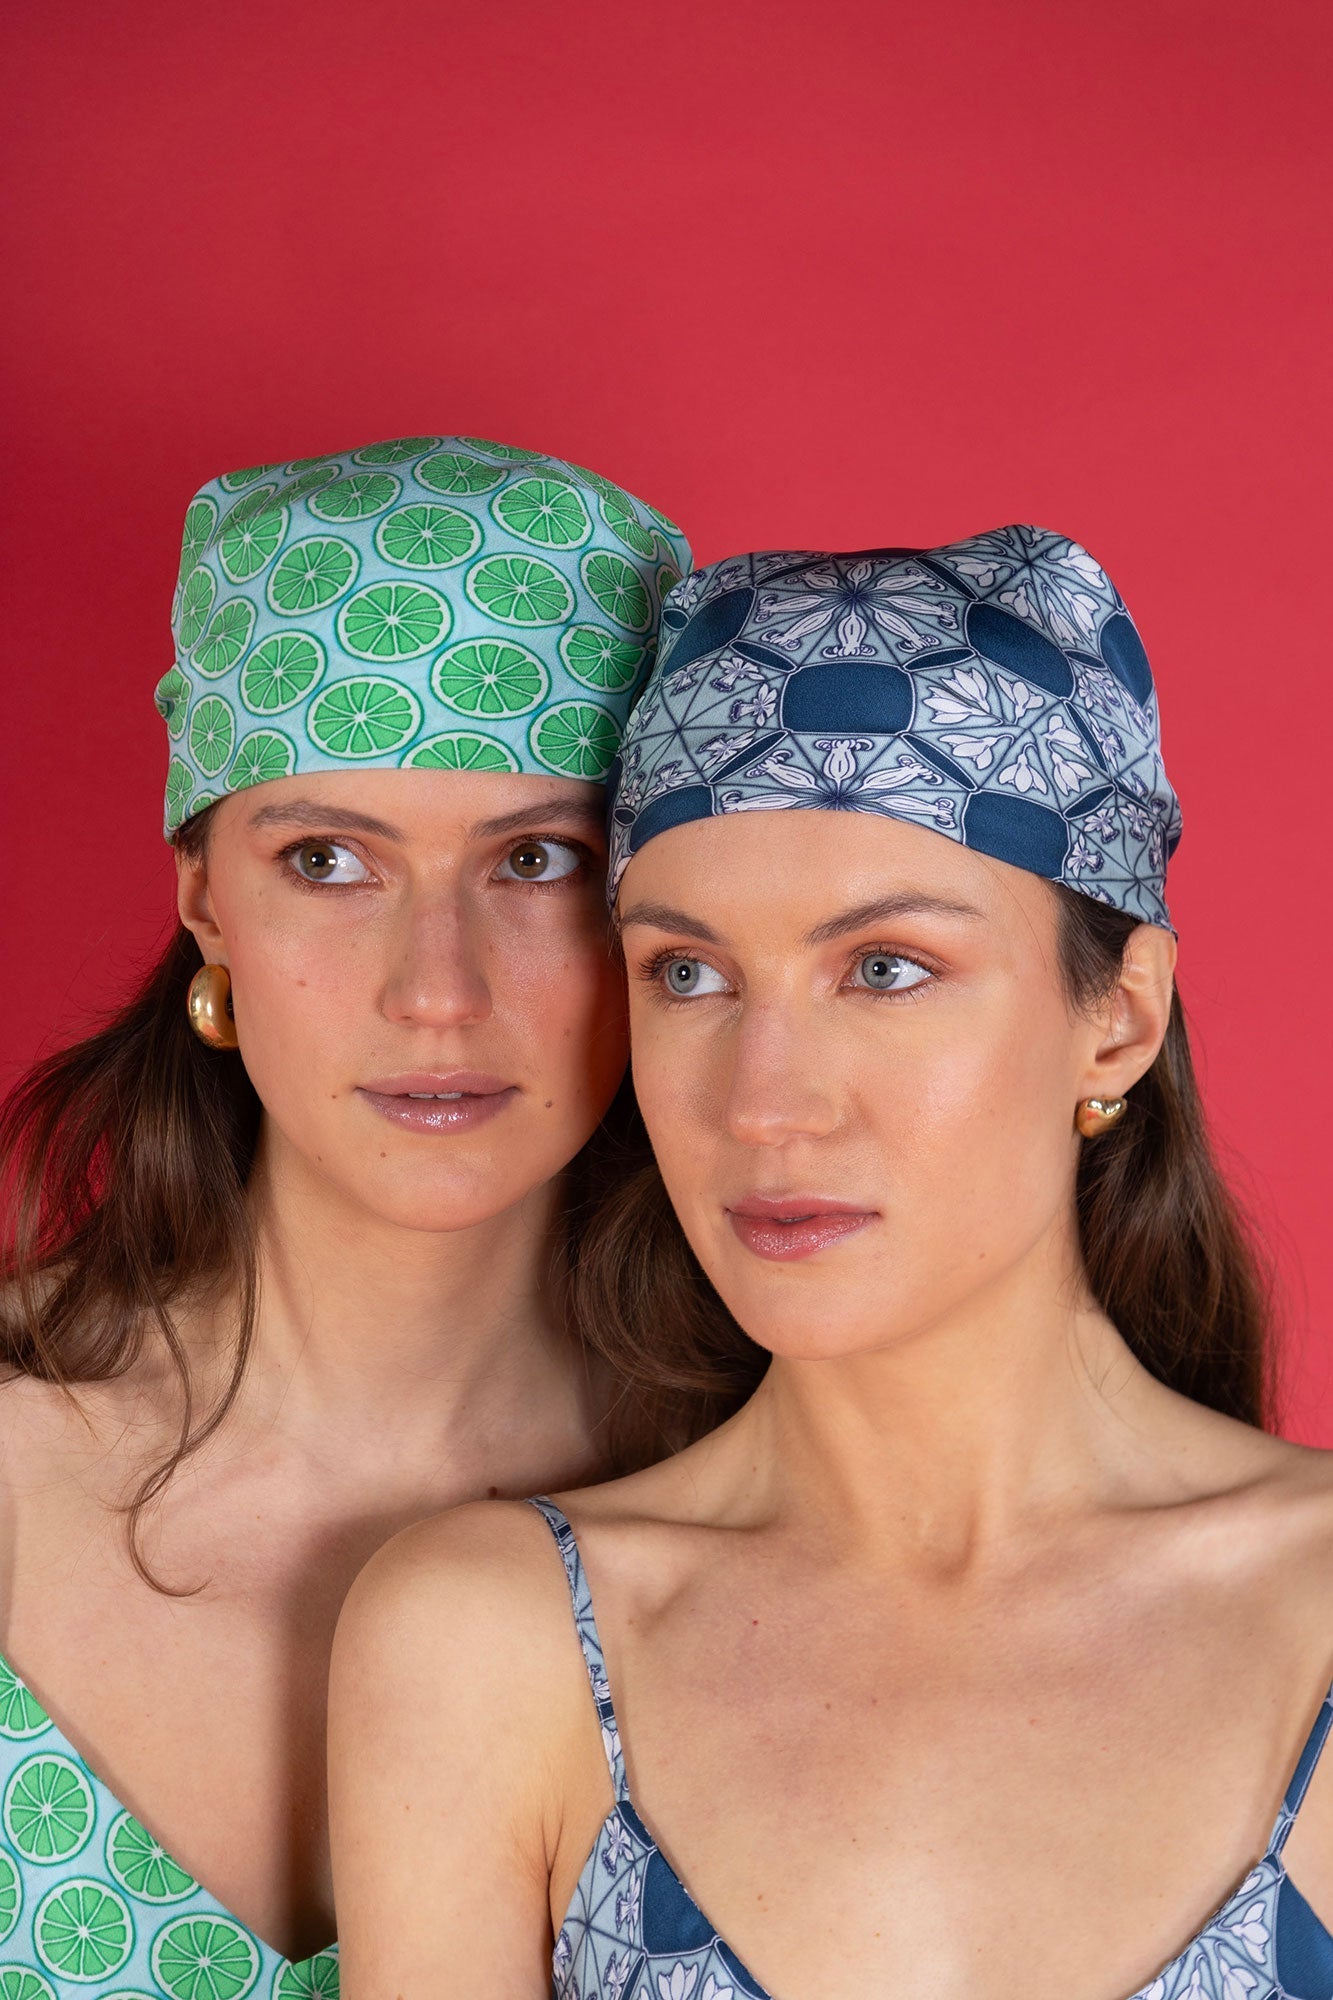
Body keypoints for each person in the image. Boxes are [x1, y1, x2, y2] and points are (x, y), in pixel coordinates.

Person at [330, 529, 1333, 2000]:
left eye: (885, 969)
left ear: (1117, 1021)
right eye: (688, 975)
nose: (763, 1102)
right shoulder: (497, 1642)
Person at [0, 435, 690, 1992]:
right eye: (327, 861)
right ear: (204, 902)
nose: (434, 991)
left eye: (537, 860)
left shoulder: (794, 1505)